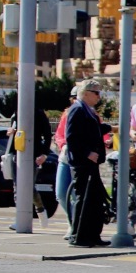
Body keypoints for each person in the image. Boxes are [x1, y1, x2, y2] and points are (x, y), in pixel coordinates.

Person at [66, 79, 109, 247]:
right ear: (85, 93)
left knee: (95, 199)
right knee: (83, 199)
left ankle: (92, 235)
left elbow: (91, 131)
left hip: (91, 162)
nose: (99, 96)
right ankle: (79, 236)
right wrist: (87, 153)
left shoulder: (87, 110)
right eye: (96, 93)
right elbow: (72, 137)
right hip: (83, 163)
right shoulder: (77, 110)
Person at [6, 103, 53, 229]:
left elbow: (48, 134)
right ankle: (20, 217)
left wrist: (44, 154)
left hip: (33, 154)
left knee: (28, 186)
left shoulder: (38, 113)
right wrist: (11, 131)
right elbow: (14, 130)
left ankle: (41, 211)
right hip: (17, 153)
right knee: (17, 186)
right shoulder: (16, 112)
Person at [53, 84, 78, 238]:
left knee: (76, 195)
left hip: (79, 159)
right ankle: (72, 221)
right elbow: (59, 134)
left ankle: (74, 225)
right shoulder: (66, 115)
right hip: (65, 157)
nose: (76, 101)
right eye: (74, 98)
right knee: (61, 193)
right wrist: (63, 144)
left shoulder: (90, 114)